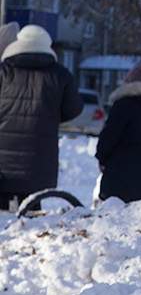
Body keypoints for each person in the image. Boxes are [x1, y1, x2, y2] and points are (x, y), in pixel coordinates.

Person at [0, 24, 81, 210]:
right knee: (32, 211)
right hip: (40, 157)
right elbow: (74, 109)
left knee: (2, 216)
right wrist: (49, 117)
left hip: (3, 161)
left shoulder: (3, 72)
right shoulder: (60, 74)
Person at [96, 57, 141, 203]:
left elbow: (109, 136)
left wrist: (102, 157)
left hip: (121, 176)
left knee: (114, 220)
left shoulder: (123, 106)